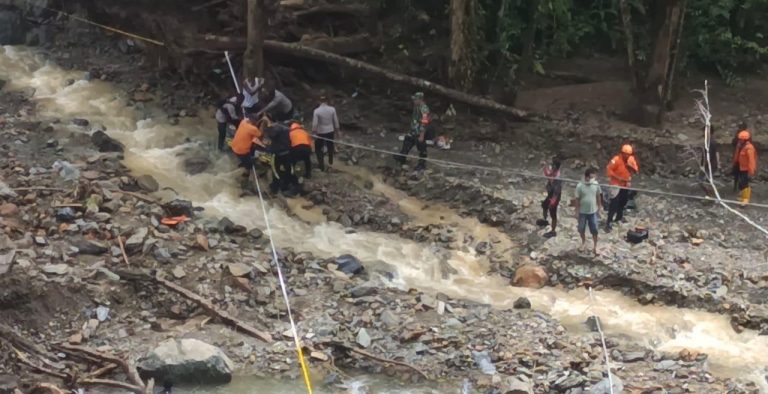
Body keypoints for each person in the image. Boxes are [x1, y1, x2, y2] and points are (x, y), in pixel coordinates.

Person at [395, 92, 430, 171]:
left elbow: (424, 123)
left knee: (421, 147)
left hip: (420, 131)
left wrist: (422, 135)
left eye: (415, 99)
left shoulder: (424, 109)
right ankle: (402, 157)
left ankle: (422, 164)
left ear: (420, 99)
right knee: (407, 141)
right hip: (414, 130)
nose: (414, 101)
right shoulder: (416, 107)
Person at [605, 144, 636, 232]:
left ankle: (619, 217)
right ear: (622, 153)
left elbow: (635, 170)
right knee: (614, 203)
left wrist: (631, 168)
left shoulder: (631, 160)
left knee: (623, 201)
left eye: (628, 154)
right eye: (625, 154)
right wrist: (618, 177)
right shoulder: (616, 159)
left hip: (625, 184)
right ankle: (609, 222)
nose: (626, 156)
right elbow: (608, 169)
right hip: (616, 183)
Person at [263, 121, 298, 195]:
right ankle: (292, 185)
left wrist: (267, 148)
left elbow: (271, 137)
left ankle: (275, 188)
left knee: (275, 170)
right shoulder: (287, 130)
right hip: (287, 152)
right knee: (289, 169)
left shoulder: (273, 131)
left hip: (277, 154)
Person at [575, 167, 602, 255]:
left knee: (594, 230)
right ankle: (583, 242)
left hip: (593, 212)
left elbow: (598, 196)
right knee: (581, 228)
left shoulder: (596, 184)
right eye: (590, 177)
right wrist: (577, 212)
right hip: (582, 212)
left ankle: (595, 246)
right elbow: (577, 199)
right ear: (586, 177)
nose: (592, 179)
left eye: (593, 177)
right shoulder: (580, 186)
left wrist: (599, 208)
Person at [312, 95, 340, 171]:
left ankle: (321, 166)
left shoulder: (316, 111)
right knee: (330, 145)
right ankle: (330, 161)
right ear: (327, 101)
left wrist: (313, 133)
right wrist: (337, 131)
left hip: (320, 132)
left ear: (319, 101)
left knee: (318, 149)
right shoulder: (332, 109)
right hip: (330, 130)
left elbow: (315, 124)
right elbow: (336, 121)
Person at [539, 156, 562, 238]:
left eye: (553, 164)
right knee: (544, 205)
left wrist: (553, 202)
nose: (551, 165)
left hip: (555, 196)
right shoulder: (553, 172)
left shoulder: (557, 177)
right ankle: (545, 221)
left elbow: (557, 191)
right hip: (550, 193)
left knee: (553, 212)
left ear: (556, 166)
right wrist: (544, 167)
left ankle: (553, 231)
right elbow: (547, 174)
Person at [732, 129, 757, 205]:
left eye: (741, 139)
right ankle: (743, 197)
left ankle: (746, 200)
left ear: (745, 140)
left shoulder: (749, 148)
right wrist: (734, 163)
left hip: (745, 169)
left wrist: (751, 171)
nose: (739, 141)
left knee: (745, 183)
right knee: (741, 183)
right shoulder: (740, 146)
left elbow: (751, 160)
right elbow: (737, 156)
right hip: (740, 167)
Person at [699, 124, 720, 196]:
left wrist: (703, 166)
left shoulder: (710, 142)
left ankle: (710, 196)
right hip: (710, 165)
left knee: (703, 181)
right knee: (705, 181)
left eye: (704, 131)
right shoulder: (709, 141)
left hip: (710, 165)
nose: (703, 133)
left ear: (708, 132)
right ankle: (710, 195)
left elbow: (709, 156)